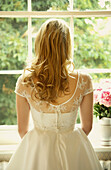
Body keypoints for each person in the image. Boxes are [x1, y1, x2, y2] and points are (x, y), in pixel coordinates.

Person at [6, 19, 102, 170]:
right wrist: (70, 144)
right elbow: (87, 127)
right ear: (67, 46)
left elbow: (22, 130)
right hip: (74, 148)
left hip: (38, 149)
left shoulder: (25, 81)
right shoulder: (84, 80)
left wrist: (40, 148)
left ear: (40, 44)